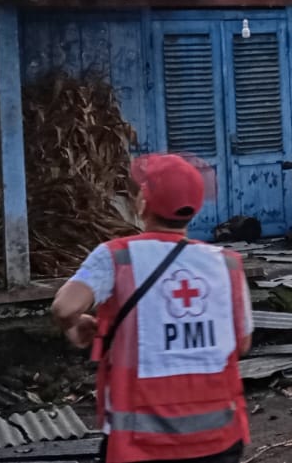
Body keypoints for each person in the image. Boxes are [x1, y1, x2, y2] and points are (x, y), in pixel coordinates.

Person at [51, 154, 253, 463]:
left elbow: (65, 307)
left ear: (143, 201)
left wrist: (76, 327)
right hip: (218, 441)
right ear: (195, 207)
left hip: (141, 445)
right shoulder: (228, 264)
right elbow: (241, 344)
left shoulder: (115, 257)